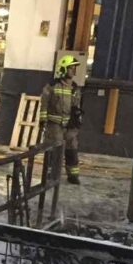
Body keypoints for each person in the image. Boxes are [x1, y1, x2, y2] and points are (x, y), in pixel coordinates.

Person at [39, 55, 83, 184]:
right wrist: (43, 120)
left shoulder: (75, 88)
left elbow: (77, 106)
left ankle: (73, 175)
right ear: (63, 69)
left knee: (72, 149)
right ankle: (51, 174)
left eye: (74, 68)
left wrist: (77, 120)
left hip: (69, 125)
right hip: (54, 125)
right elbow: (44, 104)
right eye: (70, 68)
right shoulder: (52, 86)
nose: (73, 71)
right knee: (54, 149)